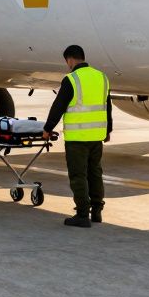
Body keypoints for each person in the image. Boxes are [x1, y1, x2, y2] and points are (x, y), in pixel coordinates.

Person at [41, 44, 112, 228]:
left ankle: (82, 214)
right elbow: (107, 107)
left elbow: (58, 106)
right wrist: (108, 131)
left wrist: (47, 128)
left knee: (78, 175)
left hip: (77, 138)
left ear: (70, 59)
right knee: (95, 172)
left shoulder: (71, 80)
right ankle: (97, 211)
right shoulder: (101, 77)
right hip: (96, 136)